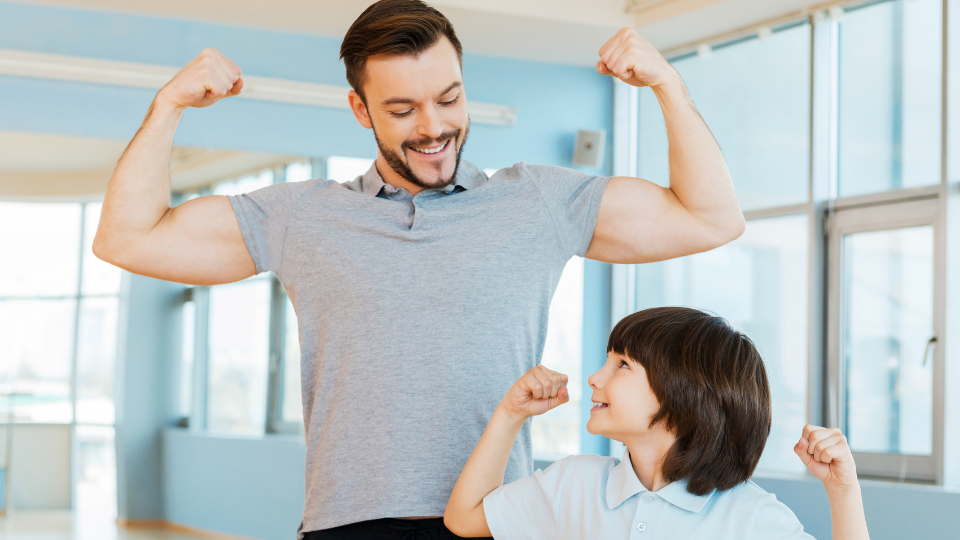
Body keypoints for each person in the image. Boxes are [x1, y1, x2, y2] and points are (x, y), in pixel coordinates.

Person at [92, 0, 746, 537]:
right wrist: (168, 106)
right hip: (350, 523)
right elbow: (130, 239)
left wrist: (668, 85)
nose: (433, 127)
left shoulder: (538, 202)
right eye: (403, 110)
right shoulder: (302, 217)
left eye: (449, 98)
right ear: (360, 110)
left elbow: (709, 217)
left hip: (498, 519)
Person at [444, 307, 871, 540]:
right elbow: (464, 518)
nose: (595, 377)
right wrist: (510, 414)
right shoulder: (572, 484)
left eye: (622, 365)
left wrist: (843, 491)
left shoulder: (749, 518)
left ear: (683, 396)